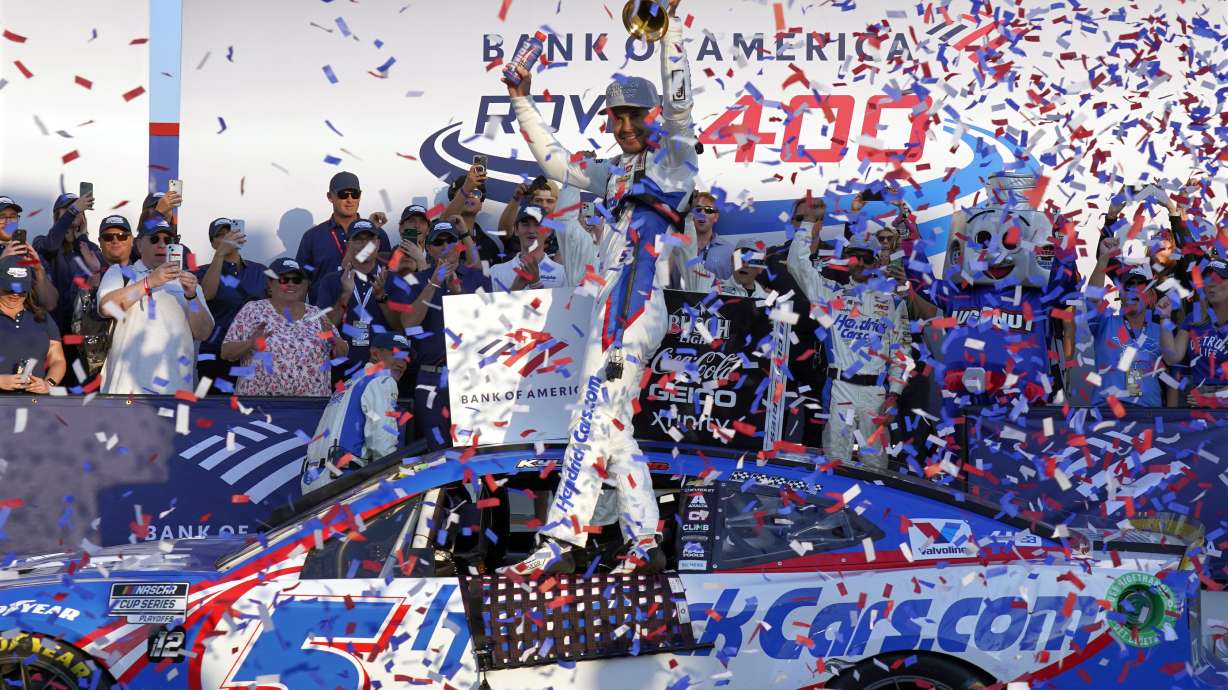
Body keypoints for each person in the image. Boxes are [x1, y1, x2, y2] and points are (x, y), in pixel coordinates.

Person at [500, 0, 693, 576]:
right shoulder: (614, 174)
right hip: (613, 303)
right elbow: (555, 163)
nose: (627, 126)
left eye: (637, 115)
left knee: (590, 416)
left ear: (654, 115)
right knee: (612, 423)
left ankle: (561, 541)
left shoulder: (677, 158)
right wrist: (520, 99)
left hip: (633, 308)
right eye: (618, 118)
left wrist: (671, 29)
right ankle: (643, 541)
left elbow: (681, 104)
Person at [908, 172, 1080, 444]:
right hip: (961, 395)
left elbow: (1067, 282)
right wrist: (910, 240)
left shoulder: (1036, 296)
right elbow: (922, 282)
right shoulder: (959, 292)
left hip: (1019, 397)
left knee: (1012, 461)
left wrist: (1065, 239)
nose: (997, 253)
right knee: (956, 458)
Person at [787, 225, 911, 467]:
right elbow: (797, 265)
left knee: (876, 466)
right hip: (840, 388)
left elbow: (902, 352)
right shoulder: (831, 293)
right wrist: (805, 227)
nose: (861, 263)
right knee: (836, 461)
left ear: (876, 262)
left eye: (867, 258)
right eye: (855, 257)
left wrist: (895, 393)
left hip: (876, 393)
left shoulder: (894, 302)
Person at [400, 220, 492, 448]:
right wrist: (433, 283)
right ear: (429, 249)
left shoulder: (478, 278)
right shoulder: (416, 281)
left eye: (450, 240)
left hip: (470, 375)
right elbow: (409, 324)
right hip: (431, 376)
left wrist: (457, 293)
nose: (445, 246)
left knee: (474, 449)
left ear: (459, 245)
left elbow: (488, 327)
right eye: (438, 242)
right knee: (437, 451)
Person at [96, 218, 214, 395]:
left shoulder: (190, 284)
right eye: (154, 239)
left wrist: (192, 296)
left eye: (168, 240)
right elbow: (107, 309)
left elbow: (204, 332)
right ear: (139, 244)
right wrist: (149, 282)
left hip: (175, 390)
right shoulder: (120, 273)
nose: (161, 245)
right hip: (126, 388)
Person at [757, 194, 830, 447]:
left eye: (815, 219)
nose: (808, 224)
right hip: (782, 345)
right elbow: (762, 301)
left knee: (816, 414)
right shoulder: (773, 255)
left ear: (822, 222)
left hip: (821, 349)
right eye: (801, 218)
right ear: (792, 221)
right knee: (775, 409)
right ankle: (769, 459)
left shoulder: (838, 257)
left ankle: (814, 471)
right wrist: (787, 315)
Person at [301, 331, 411, 495]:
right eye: (396, 354)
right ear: (375, 353)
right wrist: (399, 475)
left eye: (405, 358)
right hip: (341, 479)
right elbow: (381, 442)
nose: (402, 363)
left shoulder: (347, 384)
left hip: (311, 480)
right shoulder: (382, 379)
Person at [221, 258, 346, 397]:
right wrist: (249, 343)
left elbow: (342, 354)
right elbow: (226, 353)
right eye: (284, 280)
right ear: (270, 282)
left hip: (311, 407)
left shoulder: (316, 314)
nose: (291, 284)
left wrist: (334, 339)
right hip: (259, 407)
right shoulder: (252, 310)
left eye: (297, 280)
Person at [316, 218, 401, 381]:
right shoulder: (331, 280)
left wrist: (382, 298)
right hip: (342, 371)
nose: (364, 245)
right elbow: (324, 329)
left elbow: (401, 328)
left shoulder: (394, 279)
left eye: (369, 239)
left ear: (377, 243)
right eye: (358, 239)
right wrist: (345, 295)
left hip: (383, 371)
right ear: (348, 244)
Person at [1086, 241, 1165, 408]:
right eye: (1128, 285)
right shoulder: (1104, 324)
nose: (1133, 290)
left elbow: (1176, 375)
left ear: (1150, 296)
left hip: (1149, 415)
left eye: (1140, 285)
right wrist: (1104, 258)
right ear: (1120, 294)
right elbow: (1093, 298)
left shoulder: (1161, 331)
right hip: (1107, 412)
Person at [195, 218, 269, 393]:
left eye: (230, 233)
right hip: (214, 355)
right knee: (214, 413)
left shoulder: (260, 271)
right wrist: (220, 255)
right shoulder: (201, 272)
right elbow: (206, 294)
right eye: (220, 236)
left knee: (252, 413)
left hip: (252, 355)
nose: (227, 238)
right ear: (213, 244)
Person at [296, 171, 392, 303]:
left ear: (360, 196)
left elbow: (386, 272)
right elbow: (301, 283)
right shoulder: (312, 237)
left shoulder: (378, 234)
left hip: (368, 312)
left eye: (355, 194)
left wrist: (372, 231)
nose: (350, 200)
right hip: (325, 313)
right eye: (343, 195)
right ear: (330, 197)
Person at [71, 215, 135, 384]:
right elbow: (78, 328)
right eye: (108, 237)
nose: (115, 240)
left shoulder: (144, 274)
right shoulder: (84, 275)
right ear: (99, 241)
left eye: (122, 236)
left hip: (135, 368)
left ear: (132, 240)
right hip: (96, 371)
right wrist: (94, 278)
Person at [32, 192, 105, 335]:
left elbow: (98, 272)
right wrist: (73, 211)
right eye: (69, 209)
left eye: (78, 209)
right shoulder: (41, 241)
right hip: (53, 331)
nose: (75, 210)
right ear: (57, 216)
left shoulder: (90, 247)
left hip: (81, 332)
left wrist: (81, 239)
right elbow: (50, 245)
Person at [1159, 259, 1228, 408]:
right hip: (1196, 399)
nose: (1211, 284)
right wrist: (1164, 317)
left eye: (1219, 278)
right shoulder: (1194, 319)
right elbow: (1171, 358)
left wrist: (1212, 399)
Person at [0, 255, 66, 395]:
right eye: (9, 289)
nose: (15, 295)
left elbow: (58, 360)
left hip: (34, 406)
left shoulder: (42, 317)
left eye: (21, 290)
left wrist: (48, 384)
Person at [0, 196, 60, 313]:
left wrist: (39, 270)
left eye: (12, 217)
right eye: (1, 217)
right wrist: (2, 262)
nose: (8, 222)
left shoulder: (29, 253)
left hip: (27, 324)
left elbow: (51, 303)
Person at [489, 207, 567, 291]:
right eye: (525, 224)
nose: (531, 230)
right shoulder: (496, 272)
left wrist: (535, 284)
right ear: (515, 230)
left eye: (538, 224)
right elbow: (486, 304)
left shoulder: (563, 274)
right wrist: (516, 288)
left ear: (548, 231)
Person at [442, 169, 504, 264]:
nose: (470, 195)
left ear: (481, 204)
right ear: (453, 200)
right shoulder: (436, 234)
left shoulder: (490, 246)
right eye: (466, 192)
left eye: (476, 193)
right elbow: (442, 225)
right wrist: (466, 187)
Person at [689, 190, 735, 280]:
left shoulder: (730, 251)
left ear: (716, 217)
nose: (702, 214)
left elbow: (739, 286)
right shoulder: (678, 247)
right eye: (698, 209)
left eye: (708, 210)